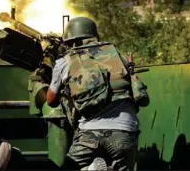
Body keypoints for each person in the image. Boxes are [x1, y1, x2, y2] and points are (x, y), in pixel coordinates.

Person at [43, 16, 150, 170]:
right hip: (125, 130)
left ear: (70, 41)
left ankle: (90, 170)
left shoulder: (65, 61)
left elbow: (51, 100)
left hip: (90, 133)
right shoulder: (115, 54)